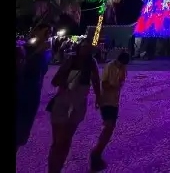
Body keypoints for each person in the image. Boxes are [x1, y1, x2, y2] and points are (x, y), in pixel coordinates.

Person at [47, 37, 101, 173]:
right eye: (83, 46)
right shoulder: (71, 60)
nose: (86, 49)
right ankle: (53, 169)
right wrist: (67, 78)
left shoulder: (91, 63)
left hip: (77, 104)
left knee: (65, 140)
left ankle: (56, 168)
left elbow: (96, 81)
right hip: (63, 102)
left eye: (88, 47)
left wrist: (98, 97)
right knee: (59, 141)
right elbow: (55, 81)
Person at [90, 51, 130, 171]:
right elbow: (104, 84)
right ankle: (95, 153)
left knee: (110, 128)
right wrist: (115, 86)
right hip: (106, 101)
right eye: (121, 64)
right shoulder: (109, 66)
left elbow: (122, 81)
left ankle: (97, 152)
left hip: (114, 102)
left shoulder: (123, 68)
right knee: (109, 126)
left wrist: (119, 84)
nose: (122, 67)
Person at [16, 26, 52, 153]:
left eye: (49, 32)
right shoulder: (22, 49)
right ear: (34, 32)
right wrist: (36, 52)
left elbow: (43, 71)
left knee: (20, 136)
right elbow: (21, 68)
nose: (47, 35)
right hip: (20, 92)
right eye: (45, 31)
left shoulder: (47, 52)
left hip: (32, 96)